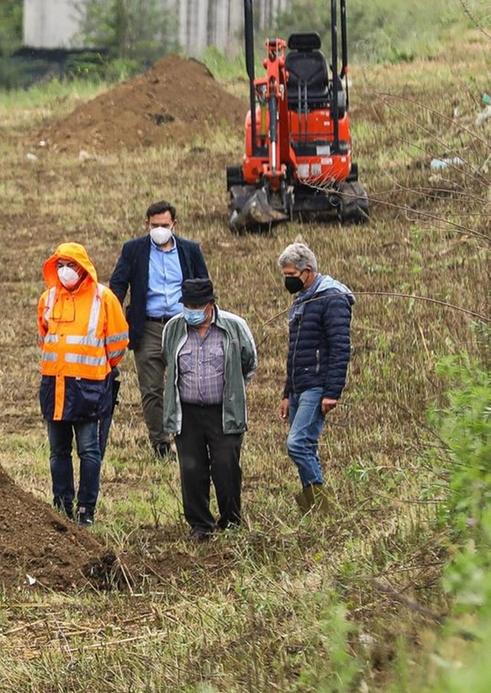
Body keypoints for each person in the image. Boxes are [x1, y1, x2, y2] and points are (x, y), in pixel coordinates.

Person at [107, 201, 210, 459]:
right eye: (155, 226)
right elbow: (118, 286)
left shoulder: (190, 250)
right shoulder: (134, 250)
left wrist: (206, 321)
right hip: (148, 327)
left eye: (164, 225)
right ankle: (161, 444)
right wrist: (109, 316)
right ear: (147, 225)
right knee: (152, 389)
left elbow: (205, 286)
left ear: (174, 224)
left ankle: (188, 438)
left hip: (182, 326)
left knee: (188, 385)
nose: (160, 230)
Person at [40, 242, 129, 527]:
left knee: (90, 452)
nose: (65, 271)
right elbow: (45, 338)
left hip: (90, 389)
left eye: (71, 265)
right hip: (55, 386)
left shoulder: (104, 298)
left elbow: (117, 346)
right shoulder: (48, 298)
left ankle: (86, 510)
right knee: (58, 452)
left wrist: (93, 369)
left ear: (83, 267)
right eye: (60, 265)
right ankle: (62, 506)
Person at [162, 278, 257, 538]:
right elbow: (167, 359)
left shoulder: (234, 327)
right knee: (192, 469)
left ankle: (231, 521)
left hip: (223, 411)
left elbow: (248, 362)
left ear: (211, 304)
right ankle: (200, 524)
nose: (191, 310)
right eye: (187, 305)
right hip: (188, 413)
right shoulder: (173, 328)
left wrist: (234, 389)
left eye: (197, 305)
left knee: (226, 467)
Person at [278, 240, 353, 514]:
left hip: (317, 385)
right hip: (300, 385)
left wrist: (332, 391)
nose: (287, 281)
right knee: (305, 446)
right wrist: (287, 392)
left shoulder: (331, 299)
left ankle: (323, 507)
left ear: (307, 271)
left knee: (297, 444)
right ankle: (314, 509)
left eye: (291, 276)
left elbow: (340, 347)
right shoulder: (302, 300)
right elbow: (295, 351)